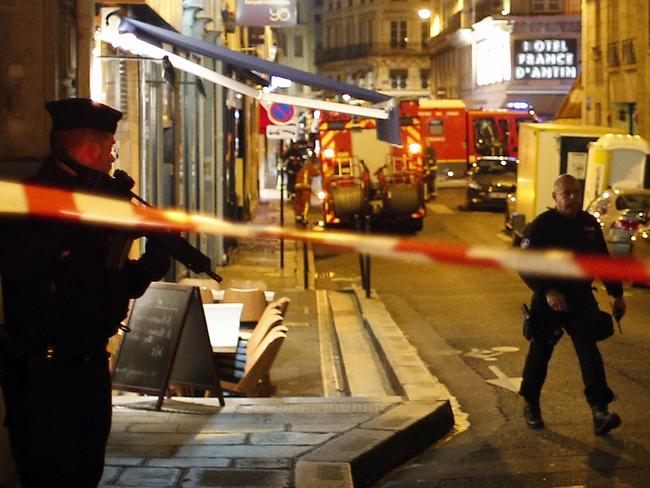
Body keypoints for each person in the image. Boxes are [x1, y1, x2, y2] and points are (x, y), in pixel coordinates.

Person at [0, 98, 170, 487]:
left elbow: (109, 281)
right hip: (43, 375)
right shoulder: (33, 199)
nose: (112, 159)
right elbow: (20, 264)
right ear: (91, 149)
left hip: (89, 367)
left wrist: (150, 264)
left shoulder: (95, 200)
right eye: (111, 148)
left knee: (86, 471)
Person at [518, 174, 626, 435]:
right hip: (550, 299)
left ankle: (599, 410)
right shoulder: (542, 226)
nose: (572, 198)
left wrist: (616, 293)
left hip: (580, 298)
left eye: (576, 192)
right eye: (566, 193)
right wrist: (547, 291)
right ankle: (530, 402)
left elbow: (603, 259)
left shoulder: (588, 224)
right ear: (555, 197)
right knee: (541, 353)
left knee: (589, 353)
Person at [293, 156, 320, 223]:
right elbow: (316, 173)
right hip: (305, 187)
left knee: (298, 201)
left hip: (298, 186)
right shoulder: (310, 168)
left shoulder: (302, 169)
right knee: (306, 202)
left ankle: (298, 216)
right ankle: (304, 216)